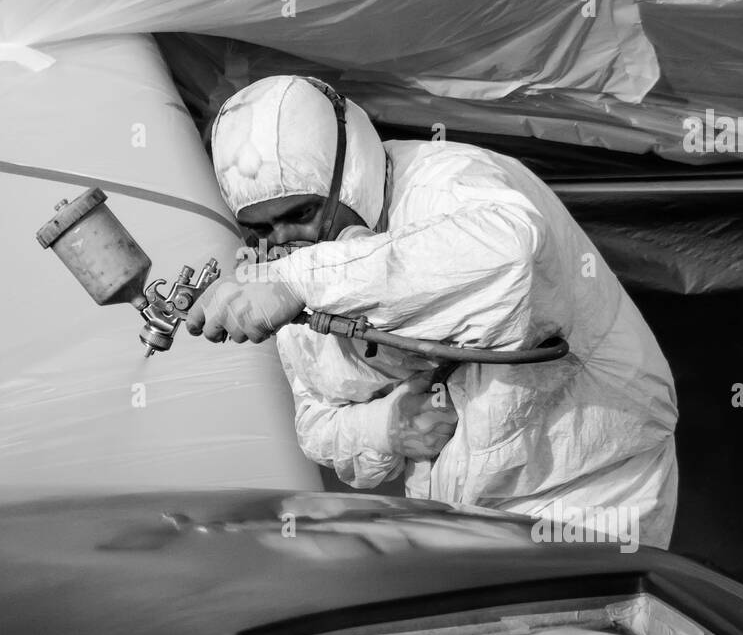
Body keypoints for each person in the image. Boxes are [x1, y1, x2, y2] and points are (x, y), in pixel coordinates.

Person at [187, 75, 679, 548]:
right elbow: (315, 420)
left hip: (590, 496)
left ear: (350, 175)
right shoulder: (284, 270)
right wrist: (383, 426)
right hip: (460, 515)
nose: (286, 240)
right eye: (263, 228)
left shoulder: (451, 182)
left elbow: (508, 257)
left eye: (301, 214)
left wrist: (300, 279)